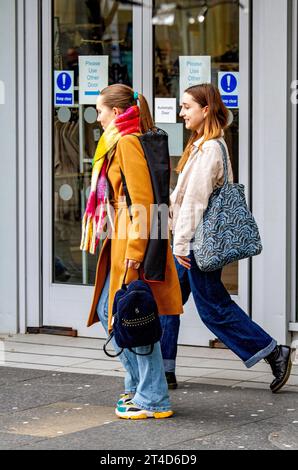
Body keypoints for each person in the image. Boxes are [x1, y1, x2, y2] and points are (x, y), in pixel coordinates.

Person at [160, 83, 293, 393]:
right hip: (191, 240)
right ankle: (164, 369)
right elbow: (184, 196)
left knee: (214, 309)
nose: (182, 113)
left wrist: (179, 244)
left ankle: (274, 352)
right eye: (181, 107)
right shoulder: (201, 145)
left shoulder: (209, 150)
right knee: (167, 301)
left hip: (196, 244)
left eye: (187, 107)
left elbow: (196, 201)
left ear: (205, 109)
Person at [81, 84, 183, 419]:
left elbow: (143, 201)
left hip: (131, 239)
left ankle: (152, 397)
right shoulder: (121, 140)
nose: (97, 118)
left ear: (115, 111)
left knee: (131, 315)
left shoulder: (125, 142)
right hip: (123, 235)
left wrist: (137, 252)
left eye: (99, 111)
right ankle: (139, 387)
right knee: (118, 312)